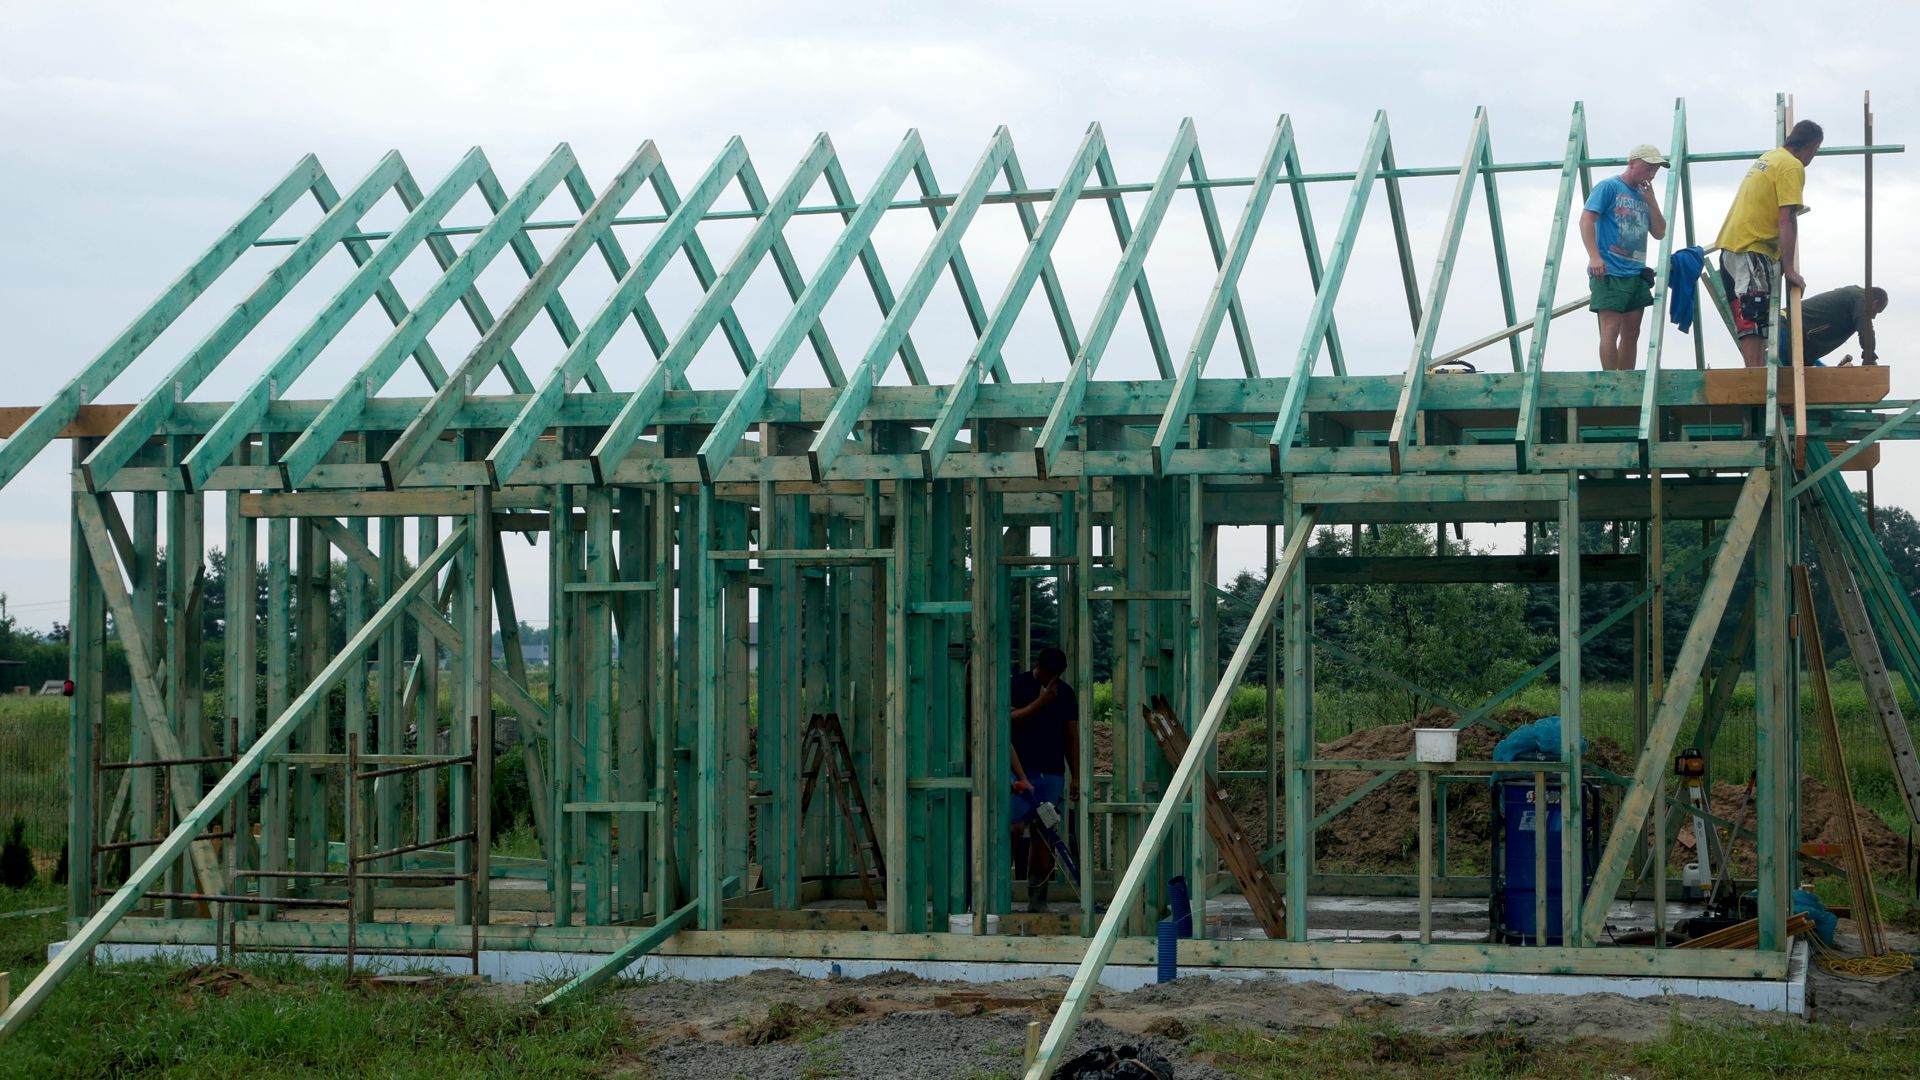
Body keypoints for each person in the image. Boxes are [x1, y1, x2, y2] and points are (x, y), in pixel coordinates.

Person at [1715, 120, 1824, 367]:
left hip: (1731, 246)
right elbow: (1787, 218)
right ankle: (1755, 378)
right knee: (1753, 318)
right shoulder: (1792, 165)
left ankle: (1754, 374)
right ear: (1812, 145)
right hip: (1753, 247)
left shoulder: (1770, 157)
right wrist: (1790, 269)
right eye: (1816, 150)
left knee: (1748, 318)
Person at [1581, 144, 1669, 370]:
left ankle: (1627, 380)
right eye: (1648, 167)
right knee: (1610, 328)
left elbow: (1660, 232)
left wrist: (1652, 202)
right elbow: (1586, 219)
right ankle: (1611, 380)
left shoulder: (1644, 195)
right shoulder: (1609, 186)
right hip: (1609, 270)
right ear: (1632, 163)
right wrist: (1594, 256)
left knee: (1632, 331)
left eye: (1655, 169)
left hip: (1635, 271)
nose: (1652, 173)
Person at [1010, 645, 1080, 912]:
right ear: (1037, 666)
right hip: (1018, 770)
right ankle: (998, 891)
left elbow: (1072, 736)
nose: (1051, 679)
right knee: (1013, 828)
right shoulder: (1017, 685)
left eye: (1055, 675)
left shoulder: (1065, 694)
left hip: (1051, 773)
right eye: (1047, 673)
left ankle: (1037, 899)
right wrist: (1041, 702)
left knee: (1044, 834)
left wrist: (1076, 776)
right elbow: (1008, 722)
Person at [1783, 285, 1887, 366]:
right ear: (1875, 302)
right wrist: (1870, 356)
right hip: (1787, 327)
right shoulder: (1859, 297)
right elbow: (1865, 329)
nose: (1873, 317)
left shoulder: (1853, 300)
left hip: (1799, 343)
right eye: (1876, 311)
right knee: (1785, 378)